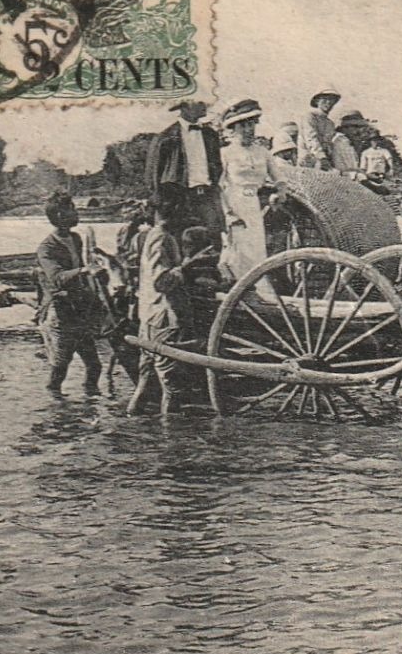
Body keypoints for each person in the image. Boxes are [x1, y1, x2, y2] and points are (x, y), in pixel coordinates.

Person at [127, 189, 216, 416]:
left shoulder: (152, 236)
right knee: (172, 386)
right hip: (163, 317)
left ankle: (133, 418)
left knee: (146, 378)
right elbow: (162, 282)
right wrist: (189, 264)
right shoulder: (161, 238)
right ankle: (171, 442)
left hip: (149, 315)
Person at [34, 191, 108, 397]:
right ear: (58, 215)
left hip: (79, 311)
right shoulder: (46, 248)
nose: (76, 213)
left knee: (95, 366)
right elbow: (56, 278)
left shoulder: (75, 238)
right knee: (60, 369)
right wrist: (84, 271)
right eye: (71, 209)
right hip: (61, 313)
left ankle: (90, 405)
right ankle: (56, 410)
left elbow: (81, 271)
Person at [216, 98, 281, 283]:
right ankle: (238, 291)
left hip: (254, 206)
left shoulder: (263, 152)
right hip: (233, 204)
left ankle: (258, 291)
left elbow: (279, 178)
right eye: (243, 126)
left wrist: (279, 194)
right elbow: (219, 187)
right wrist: (228, 215)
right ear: (233, 129)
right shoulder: (225, 153)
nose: (248, 130)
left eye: (251, 125)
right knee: (237, 253)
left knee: (257, 252)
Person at [146, 100, 223, 229]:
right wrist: (158, 198)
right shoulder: (166, 137)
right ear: (184, 107)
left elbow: (217, 165)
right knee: (175, 238)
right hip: (176, 199)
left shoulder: (211, 135)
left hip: (206, 197)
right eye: (198, 102)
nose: (204, 105)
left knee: (212, 239)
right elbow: (153, 172)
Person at [299, 86, 342, 170]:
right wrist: (322, 157)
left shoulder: (330, 123)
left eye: (331, 100)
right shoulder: (310, 117)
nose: (328, 103)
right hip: (308, 160)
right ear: (317, 101)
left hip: (326, 161)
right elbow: (311, 139)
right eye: (325, 99)